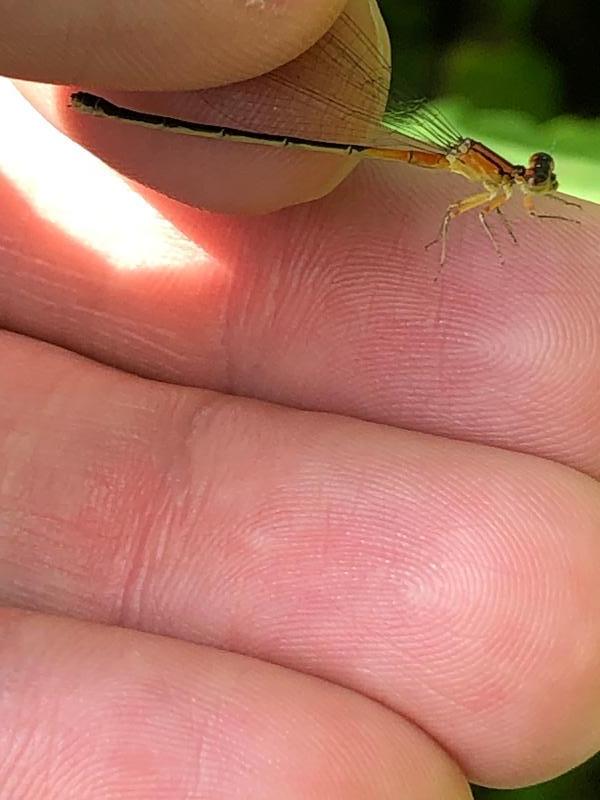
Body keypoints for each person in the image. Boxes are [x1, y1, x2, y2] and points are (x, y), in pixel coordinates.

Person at [1, 0, 599, 796]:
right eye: (532, 178)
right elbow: (472, 219)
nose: (533, 183)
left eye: (535, 180)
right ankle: (111, 110)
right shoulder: (483, 181)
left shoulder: (496, 185)